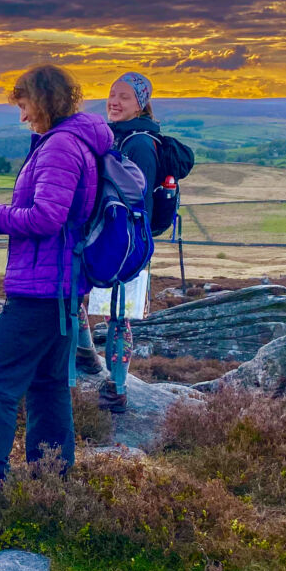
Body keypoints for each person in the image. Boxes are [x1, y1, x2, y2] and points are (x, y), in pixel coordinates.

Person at [0, 65, 112, 495]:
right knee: (47, 386)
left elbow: (46, 217)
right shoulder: (73, 141)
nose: (22, 117)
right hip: (60, 289)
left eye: (24, 106)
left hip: (42, 290)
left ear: (43, 101)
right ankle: (51, 483)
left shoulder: (60, 146)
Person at [95, 71, 160, 413]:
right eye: (111, 94)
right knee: (95, 308)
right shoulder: (117, 137)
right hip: (110, 238)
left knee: (119, 316)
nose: (114, 102)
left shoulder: (139, 144)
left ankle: (117, 389)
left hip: (127, 244)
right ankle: (94, 370)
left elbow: (136, 199)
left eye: (124, 97)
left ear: (141, 104)